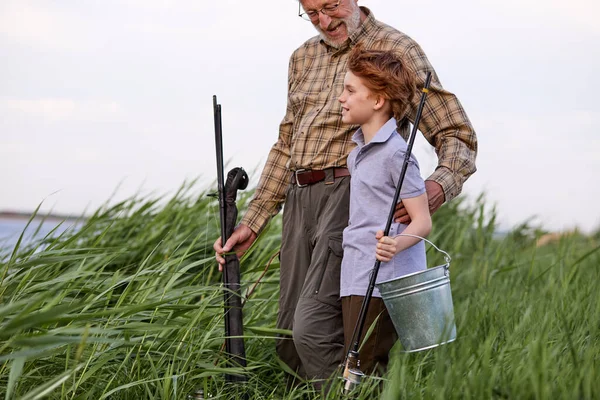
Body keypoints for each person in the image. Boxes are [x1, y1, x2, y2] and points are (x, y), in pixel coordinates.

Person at [214, 0, 477, 387]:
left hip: (352, 197)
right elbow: (287, 143)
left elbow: (457, 133)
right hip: (299, 199)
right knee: (289, 335)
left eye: (330, 6)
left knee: (320, 331)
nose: (323, 20)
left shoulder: (397, 50)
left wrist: (434, 189)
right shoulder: (302, 57)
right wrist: (253, 221)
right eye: (311, 12)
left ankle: (357, 393)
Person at [338, 46, 432, 375]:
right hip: (355, 274)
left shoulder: (396, 154)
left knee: (367, 367)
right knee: (353, 366)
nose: (341, 98)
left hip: (384, 281)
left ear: (378, 100)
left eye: (350, 90)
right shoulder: (357, 153)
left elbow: (422, 221)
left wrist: (396, 243)